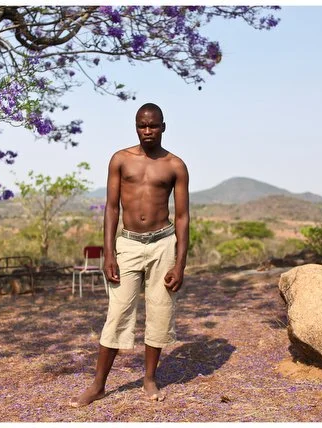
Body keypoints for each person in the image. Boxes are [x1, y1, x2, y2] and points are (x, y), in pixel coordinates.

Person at [71, 103, 189, 407]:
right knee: (119, 311)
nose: (147, 131)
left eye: (152, 126)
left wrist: (180, 263)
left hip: (163, 243)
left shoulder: (175, 166)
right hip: (128, 244)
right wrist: (108, 253)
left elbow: (183, 217)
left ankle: (149, 379)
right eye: (141, 126)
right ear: (135, 127)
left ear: (164, 126)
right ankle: (98, 385)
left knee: (160, 311)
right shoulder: (121, 160)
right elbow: (111, 208)